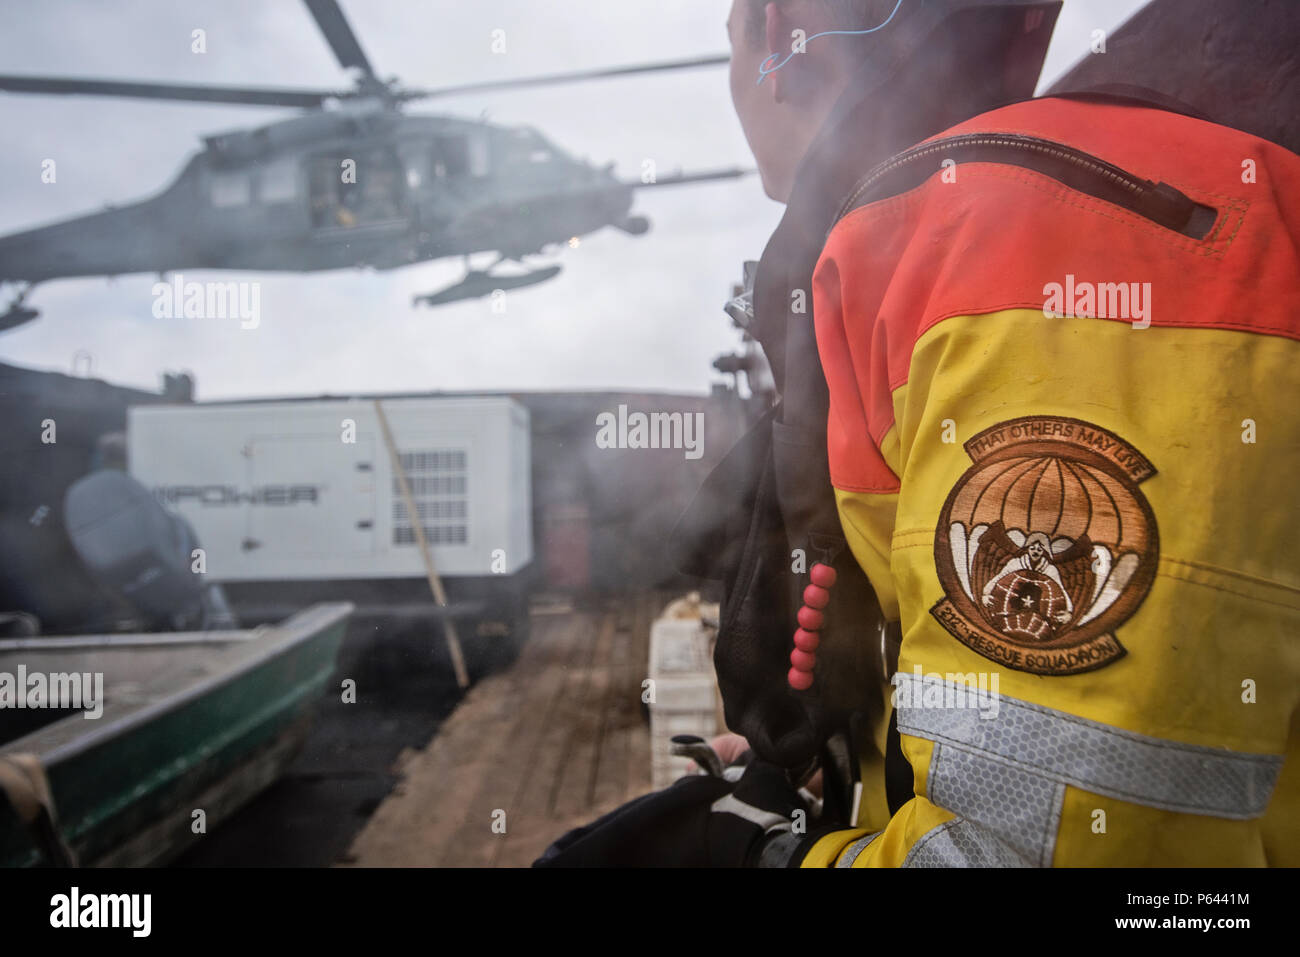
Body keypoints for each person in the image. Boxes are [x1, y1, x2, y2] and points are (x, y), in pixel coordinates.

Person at [537, 0, 1300, 867]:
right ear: (1028, 29)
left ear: (780, 39)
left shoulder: (1019, 242)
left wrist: (772, 861)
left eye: (730, 37)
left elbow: (1046, 849)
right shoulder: (938, 236)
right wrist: (831, 770)